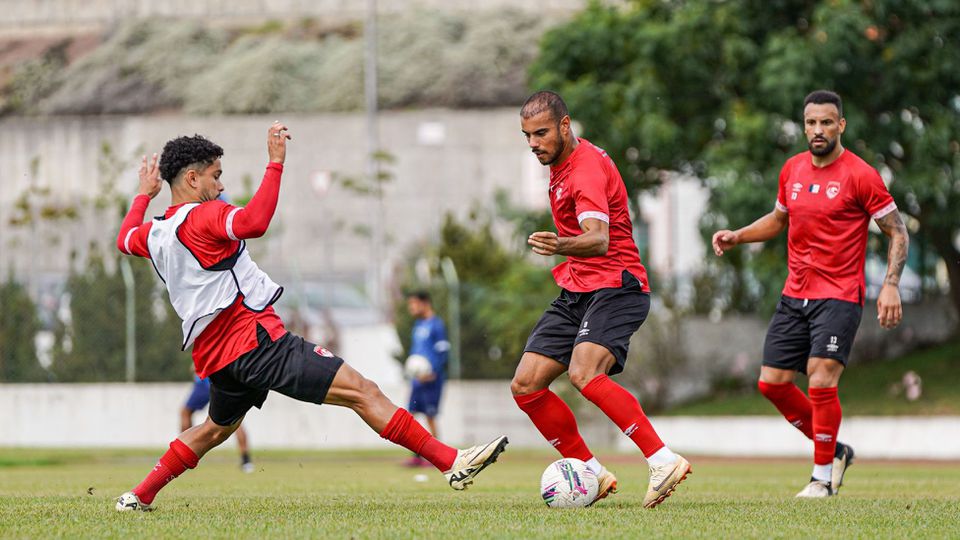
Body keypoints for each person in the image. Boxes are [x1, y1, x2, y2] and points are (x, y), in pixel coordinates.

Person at [113, 122, 507, 512]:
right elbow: (255, 223)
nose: (220, 186)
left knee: (216, 428)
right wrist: (275, 163)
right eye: (216, 177)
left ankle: (139, 495)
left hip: (218, 357)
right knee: (362, 391)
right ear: (193, 178)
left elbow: (123, 238)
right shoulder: (205, 216)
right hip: (255, 342)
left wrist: (143, 196)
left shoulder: (157, 232)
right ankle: (451, 462)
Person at [711, 90, 909, 498]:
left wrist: (890, 284)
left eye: (827, 122)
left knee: (820, 377)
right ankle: (835, 451)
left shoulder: (860, 174)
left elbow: (898, 230)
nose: (818, 130)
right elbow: (779, 218)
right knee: (773, 384)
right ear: (804, 126)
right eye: (811, 123)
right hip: (794, 293)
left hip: (839, 294)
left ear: (841, 126)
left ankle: (822, 478)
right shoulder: (793, 170)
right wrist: (739, 236)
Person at [512, 91, 690, 509]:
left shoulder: (584, 169)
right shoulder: (558, 166)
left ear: (565, 125)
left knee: (585, 372)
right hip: (578, 289)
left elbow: (598, 238)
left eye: (541, 133)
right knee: (526, 385)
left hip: (617, 286)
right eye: (527, 136)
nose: (534, 143)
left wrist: (560, 244)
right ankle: (588, 470)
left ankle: (663, 459)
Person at [403, 290, 449, 467]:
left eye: (413, 304)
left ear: (425, 303)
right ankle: (415, 456)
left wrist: (433, 372)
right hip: (417, 380)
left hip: (432, 379)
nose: (411, 308)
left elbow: (443, 351)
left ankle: (437, 456)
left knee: (430, 416)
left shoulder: (436, 325)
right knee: (411, 417)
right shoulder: (418, 325)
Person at [180, 375, 254, 473]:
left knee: (185, 412)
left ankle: (183, 456)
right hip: (223, 379)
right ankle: (246, 460)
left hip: (207, 379)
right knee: (234, 419)